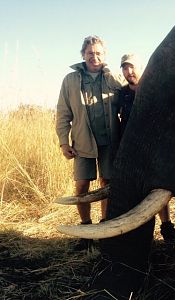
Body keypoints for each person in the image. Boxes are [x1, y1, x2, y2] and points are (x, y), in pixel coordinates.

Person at [56, 35, 124, 250]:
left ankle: (105, 227)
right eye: (90, 53)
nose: (94, 57)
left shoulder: (112, 77)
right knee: (82, 185)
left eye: (98, 53)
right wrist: (63, 142)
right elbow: (63, 113)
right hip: (82, 142)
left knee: (107, 184)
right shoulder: (70, 80)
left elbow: (127, 101)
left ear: (104, 55)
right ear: (83, 55)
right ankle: (86, 229)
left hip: (109, 142)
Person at [119, 53, 175, 242]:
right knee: (134, 192)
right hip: (131, 151)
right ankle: (138, 236)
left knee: (157, 191)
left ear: (141, 67)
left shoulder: (154, 89)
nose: (129, 72)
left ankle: (167, 229)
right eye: (125, 68)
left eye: (132, 67)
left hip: (154, 150)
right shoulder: (122, 94)